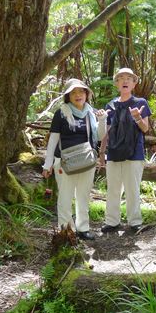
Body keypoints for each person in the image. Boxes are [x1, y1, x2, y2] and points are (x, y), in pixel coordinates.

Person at [96, 68, 151, 233]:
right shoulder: (111, 105)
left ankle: (135, 222)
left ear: (134, 83)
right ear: (117, 84)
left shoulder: (140, 103)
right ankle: (112, 221)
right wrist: (102, 153)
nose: (125, 81)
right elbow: (106, 132)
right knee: (113, 188)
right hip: (113, 152)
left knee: (132, 188)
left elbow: (145, 128)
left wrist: (137, 117)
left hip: (135, 153)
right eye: (121, 78)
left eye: (129, 78)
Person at [42, 78, 98, 240]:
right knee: (65, 197)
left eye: (81, 91)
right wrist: (48, 163)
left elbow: (98, 136)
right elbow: (53, 139)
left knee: (83, 196)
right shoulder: (62, 113)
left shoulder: (90, 113)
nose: (78, 95)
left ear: (86, 94)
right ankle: (66, 230)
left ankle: (83, 228)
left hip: (86, 161)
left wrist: (102, 120)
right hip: (64, 162)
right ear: (68, 96)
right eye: (73, 92)